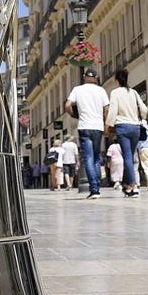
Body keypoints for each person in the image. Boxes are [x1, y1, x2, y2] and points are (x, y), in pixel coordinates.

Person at [65, 69, 111, 198]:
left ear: (84, 77)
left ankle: (94, 189)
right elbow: (106, 108)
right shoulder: (101, 90)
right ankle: (97, 187)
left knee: (88, 158)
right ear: (96, 78)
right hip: (97, 127)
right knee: (96, 157)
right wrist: (105, 123)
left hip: (84, 126)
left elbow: (68, 105)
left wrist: (74, 114)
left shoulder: (77, 89)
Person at [107, 69, 147, 197]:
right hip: (135, 127)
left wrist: (108, 125)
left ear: (117, 80)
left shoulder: (115, 92)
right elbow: (144, 108)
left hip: (122, 127)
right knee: (130, 156)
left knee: (128, 157)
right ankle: (128, 186)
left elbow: (113, 110)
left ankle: (134, 186)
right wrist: (142, 118)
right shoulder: (134, 92)